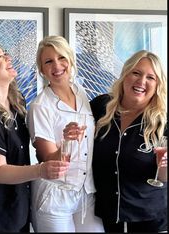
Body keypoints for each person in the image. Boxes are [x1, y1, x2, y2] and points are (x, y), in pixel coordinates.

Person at [0, 41, 69, 232]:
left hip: (17, 210)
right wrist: (41, 170)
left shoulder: (17, 107)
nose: (8, 58)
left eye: (5, 53)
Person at [63, 50, 167, 232]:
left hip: (151, 219)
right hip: (107, 217)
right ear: (125, 74)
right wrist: (69, 135)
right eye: (136, 73)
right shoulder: (100, 107)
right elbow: (78, 145)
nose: (141, 81)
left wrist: (164, 168)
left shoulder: (163, 122)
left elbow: (163, 177)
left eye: (151, 77)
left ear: (157, 85)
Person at [26, 35, 104, 232]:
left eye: (62, 58)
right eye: (48, 61)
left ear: (70, 60)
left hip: (86, 193)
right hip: (55, 197)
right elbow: (48, 160)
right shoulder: (40, 106)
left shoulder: (81, 93)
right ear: (42, 69)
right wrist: (67, 142)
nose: (57, 66)